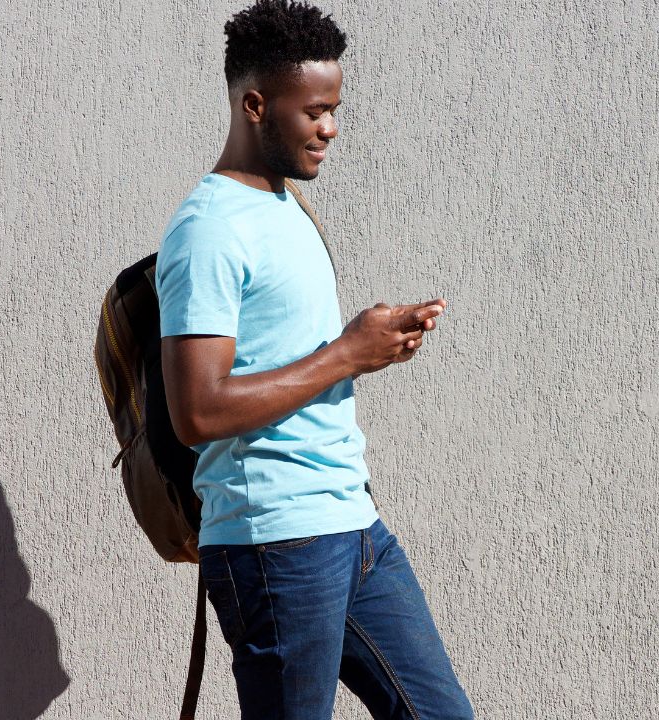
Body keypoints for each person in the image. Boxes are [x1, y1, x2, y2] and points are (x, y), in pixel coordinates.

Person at [152, 1, 474, 718]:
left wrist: (372, 346)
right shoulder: (209, 229)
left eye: (335, 108)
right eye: (315, 111)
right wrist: (348, 354)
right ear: (256, 104)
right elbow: (197, 411)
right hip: (277, 545)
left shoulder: (283, 204)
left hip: (352, 527)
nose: (330, 127)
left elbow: (296, 357)